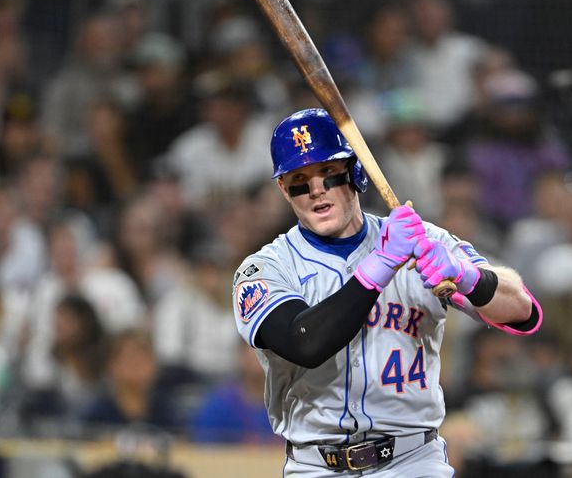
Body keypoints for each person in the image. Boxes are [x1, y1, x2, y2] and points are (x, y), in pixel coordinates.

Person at [232, 108, 542, 476]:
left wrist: (466, 275)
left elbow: (524, 311)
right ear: (284, 189)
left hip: (413, 460)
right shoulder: (265, 269)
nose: (316, 190)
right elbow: (305, 343)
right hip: (316, 466)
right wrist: (381, 263)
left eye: (328, 173)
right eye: (299, 179)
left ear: (355, 172)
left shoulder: (423, 241)